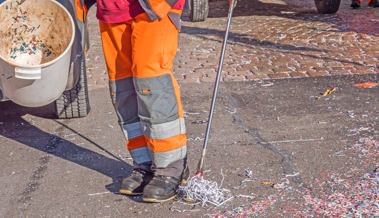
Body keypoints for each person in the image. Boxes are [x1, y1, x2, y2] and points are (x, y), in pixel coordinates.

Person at [75, 0, 189, 202]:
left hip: (154, 6)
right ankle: (145, 163)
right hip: (112, 8)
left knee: (153, 84)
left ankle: (171, 166)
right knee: (123, 89)